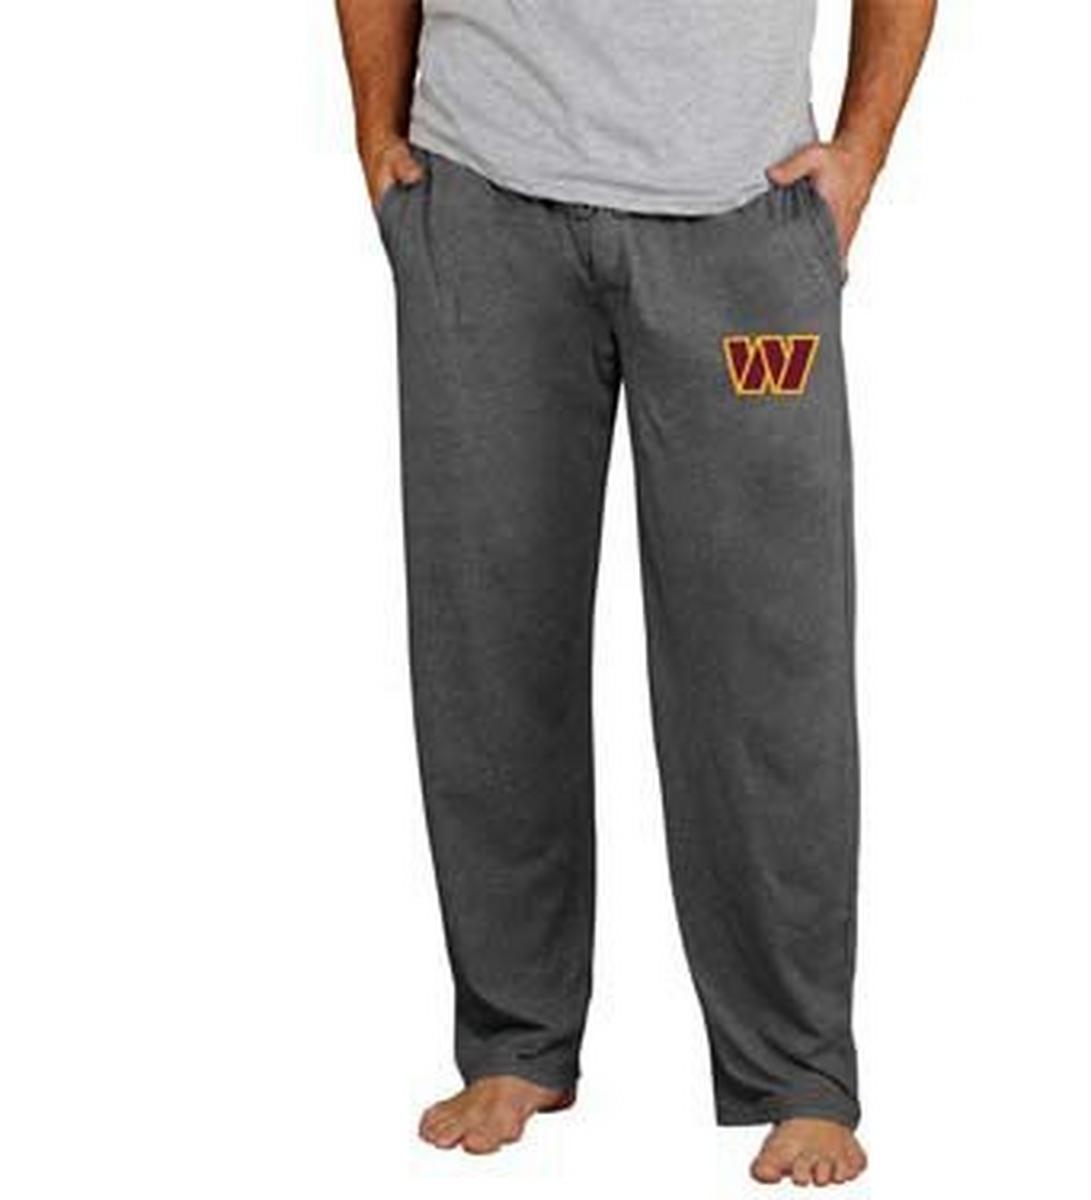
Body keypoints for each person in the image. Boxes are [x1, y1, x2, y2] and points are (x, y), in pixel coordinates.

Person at [335, 0, 934, 1186]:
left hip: (742, 215)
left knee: (769, 668)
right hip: (483, 195)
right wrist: (374, 130)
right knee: (488, 640)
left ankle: (799, 1070)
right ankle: (514, 1039)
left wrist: (861, 151)